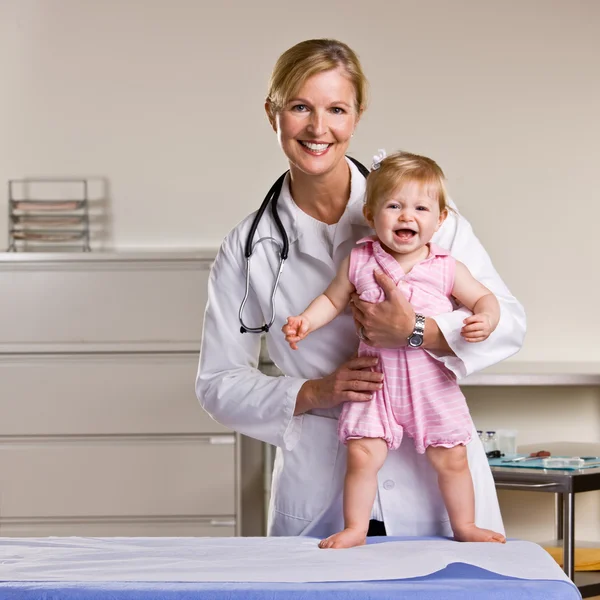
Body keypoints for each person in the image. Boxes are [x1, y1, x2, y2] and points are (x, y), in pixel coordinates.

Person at [196, 38, 526, 539]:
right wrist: (315, 390)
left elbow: (507, 320)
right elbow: (218, 383)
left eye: (336, 109)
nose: (318, 128)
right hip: (324, 483)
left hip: (429, 480)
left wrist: (418, 331)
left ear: (357, 116)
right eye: (300, 107)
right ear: (273, 113)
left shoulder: (421, 209)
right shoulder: (249, 247)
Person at [283, 150, 506, 548]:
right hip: (376, 381)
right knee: (362, 455)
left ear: (440, 220)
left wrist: (485, 318)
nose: (407, 216)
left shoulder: (445, 266)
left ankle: (466, 526)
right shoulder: (359, 260)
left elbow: (486, 299)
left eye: (421, 208)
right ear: (370, 214)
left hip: (430, 383)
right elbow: (332, 301)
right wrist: (305, 321)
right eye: (394, 206)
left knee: (451, 457)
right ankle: (355, 528)